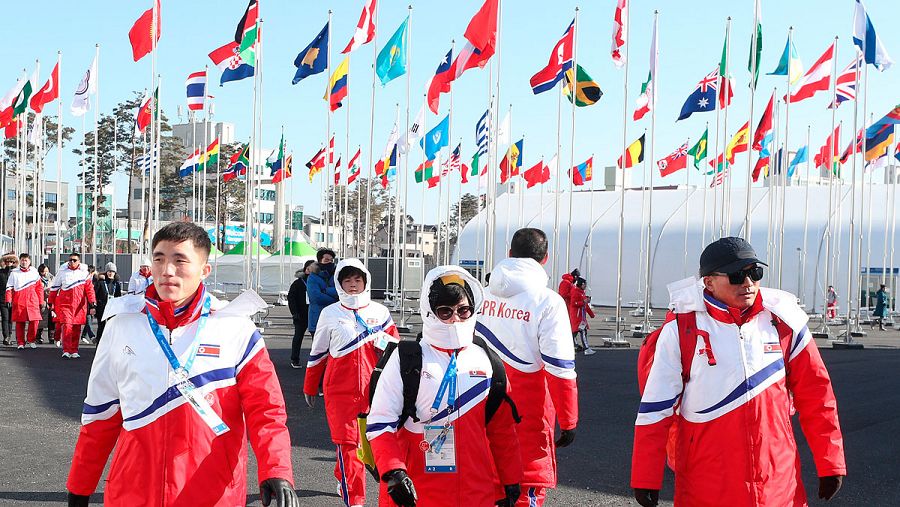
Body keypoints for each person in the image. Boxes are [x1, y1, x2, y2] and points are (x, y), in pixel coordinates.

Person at [66, 222, 299, 507]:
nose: (167, 270)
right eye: (159, 259)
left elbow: (266, 410)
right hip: (133, 491)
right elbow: (100, 414)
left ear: (204, 270)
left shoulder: (235, 328)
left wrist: (276, 469)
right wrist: (80, 485)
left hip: (212, 492)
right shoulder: (122, 325)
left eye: (180, 260)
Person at [632, 237, 846, 507]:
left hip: (778, 482)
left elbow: (817, 396)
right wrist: (646, 476)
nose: (748, 283)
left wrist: (831, 462)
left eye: (755, 273)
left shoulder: (785, 322)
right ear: (709, 282)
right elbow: (656, 408)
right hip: (706, 483)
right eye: (736, 275)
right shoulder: (680, 330)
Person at [367, 266, 522, 507]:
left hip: (476, 492)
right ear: (430, 312)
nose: (455, 318)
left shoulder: (487, 359)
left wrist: (511, 479)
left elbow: (501, 429)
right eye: (445, 311)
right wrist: (393, 470)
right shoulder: (407, 358)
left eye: (463, 310)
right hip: (416, 491)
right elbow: (380, 422)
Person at [476, 228, 578, 506]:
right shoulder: (548, 301)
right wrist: (569, 420)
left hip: (479, 404)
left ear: (509, 254)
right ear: (545, 258)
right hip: (526, 412)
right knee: (525, 489)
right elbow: (559, 368)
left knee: (483, 487)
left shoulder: (481, 296)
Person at [303, 259, 400, 507]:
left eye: (357, 280)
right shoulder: (330, 313)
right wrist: (310, 386)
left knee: (372, 445)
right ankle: (355, 500)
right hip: (340, 391)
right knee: (348, 445)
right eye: (347, 280)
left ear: (366, 281)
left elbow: (396, 351)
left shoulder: (381, 312)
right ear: (339, 283)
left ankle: (343, 474)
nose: (353, 285)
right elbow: (318, 353)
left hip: (375, 390)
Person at [48, 253, 96, 359]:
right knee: (67, 326)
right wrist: (50, 302)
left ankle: (74, 350)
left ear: (79, 261)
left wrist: (92, 303)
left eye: (74, 260)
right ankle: (66, 350)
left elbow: (89, 289)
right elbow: (54, 288)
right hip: (65, 304)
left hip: (79, 305)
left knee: (76, 328)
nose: (72, 262)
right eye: (70, 260)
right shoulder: (62, 272)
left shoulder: (84, 273)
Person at [5, 253, 44, 350]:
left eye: (26, 260)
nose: (24, 262)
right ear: (20, 261)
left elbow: (39, 288)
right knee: (20, 323)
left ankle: (31, 340)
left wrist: (41, 301)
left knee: (35, 321)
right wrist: (8, 299)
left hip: (32, 301)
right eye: (22, 260)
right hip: (19, 301)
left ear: (29, 261)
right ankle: (20, 342)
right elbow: (9, 288)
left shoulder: (34, 272)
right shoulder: (14, 273)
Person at [287, 259, 315, 368]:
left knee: (317, 339)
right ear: (306, 269)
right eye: (310, 268)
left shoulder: (317, 282)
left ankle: (317, 360)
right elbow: (291, 298)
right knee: (298, 337)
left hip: (314, 313)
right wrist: (294, 312)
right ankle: (294, 359)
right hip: (301, 314)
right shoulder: (298, 283)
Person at [307, 248, 338, 336]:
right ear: (320, 261)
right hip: (317, 319)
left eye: (331, 260)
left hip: (335, 320)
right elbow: (316, 297)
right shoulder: (312, 277)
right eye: (326, 260)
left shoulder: (337, 275)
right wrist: (336, 301)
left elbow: (341, 292)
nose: (330, 262)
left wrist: (325, 291)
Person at [94, 262, 123, 342]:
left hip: (112, 309)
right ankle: (99, 344)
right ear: (106, 272)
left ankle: (110, 344)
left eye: (112, 271)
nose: (110, 273)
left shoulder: (116, 284)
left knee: (111, 327)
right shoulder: (100, 282)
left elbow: (118, 297)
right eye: (109, 271)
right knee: (101, 327)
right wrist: (94, 307)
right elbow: (94, 294)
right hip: (102, 308)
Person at [569, 277, 596, 356]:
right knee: (581, 331)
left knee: (576, 332)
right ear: (581, 284)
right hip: (577, 316)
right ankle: (585, 348)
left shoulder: (581, 292)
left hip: (580, 316)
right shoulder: (575, 292)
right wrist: (583, 302)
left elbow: (585, 305)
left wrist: (591, 314)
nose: (585, 286)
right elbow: (574, 303)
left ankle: (575, 346)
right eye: (585, 284)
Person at [0, 253, 18, 346]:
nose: (9, 263)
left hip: (14, 299)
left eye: (11, 261)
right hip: (2, 299)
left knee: (11, 319)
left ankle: (9, 336)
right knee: (5, 318)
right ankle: (6, 337)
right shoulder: (1, 272)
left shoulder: (17, 273)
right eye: (7, 261)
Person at [37, 263, 55, 344]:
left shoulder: (52, 278)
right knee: (41, 320)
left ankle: (51, 337)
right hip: (42, 301)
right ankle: (38, 336)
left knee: (52, 320)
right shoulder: (37, 279)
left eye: (47, 271)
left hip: (51, 301)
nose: (46, 273)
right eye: (44, 271)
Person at [81, 265, 98, 344]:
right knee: (88, 320)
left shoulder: (95, 280)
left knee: (89, 319)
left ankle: (84, 336)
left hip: (91, 303)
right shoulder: (84, 279)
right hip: (85, 303)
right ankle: (92, 336)